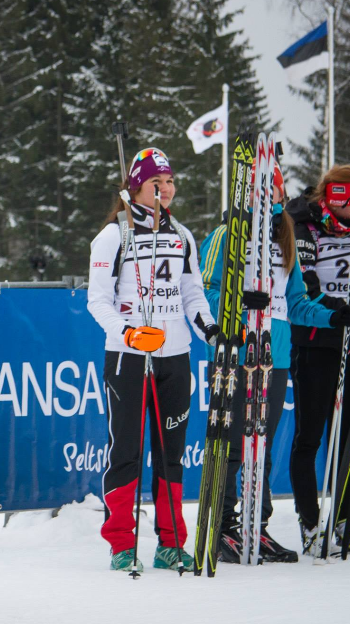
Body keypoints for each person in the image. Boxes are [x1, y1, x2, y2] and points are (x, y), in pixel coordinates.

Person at [199, 160, 349, 564]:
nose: (269, 200)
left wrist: (334, 316)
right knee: (232, 445)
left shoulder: (283, 241)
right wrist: (237, 302)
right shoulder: (225, 235)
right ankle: (224, 525)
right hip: (238, 353)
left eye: (275, 193)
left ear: (282, 196)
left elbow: (297, 303)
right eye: (261, 193)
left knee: (259, 445)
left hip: (276, 356)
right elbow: (202, 293)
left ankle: (255, 526)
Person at [88, 147, 218, 573]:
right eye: (155, 183)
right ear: (136, 187)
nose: (165, 190)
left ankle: (170, 542)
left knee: (171, 453)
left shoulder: (182, 234)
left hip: (174, 357)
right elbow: (98, 302)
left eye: (170, 181)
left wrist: (210, 330)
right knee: (125, 451)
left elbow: (192, 293)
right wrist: (127, 333)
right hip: (129, 358)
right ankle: (121, 543)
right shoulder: (113, 236)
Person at [287, 165, 350, 555]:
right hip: (315, 340)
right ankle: (310, 523)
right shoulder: (305, 221)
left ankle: (343, 521)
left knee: (345, 440)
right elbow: (304, 280)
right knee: (309, 436)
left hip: (348, 340)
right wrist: (334, 308)